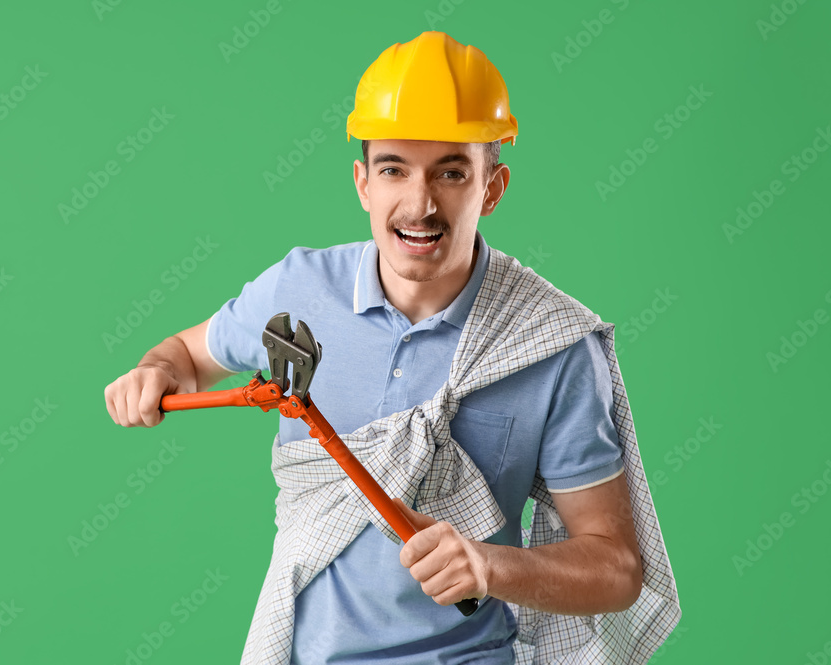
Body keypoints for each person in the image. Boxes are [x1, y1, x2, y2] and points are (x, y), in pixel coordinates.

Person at [104, 31, 680, 665]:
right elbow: (186, 356)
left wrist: (490, 566)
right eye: (393, 169)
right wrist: (155, 371)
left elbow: (617, 567)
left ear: (492, 186)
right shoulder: (298, 290)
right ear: (362, 184)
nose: (420, 203)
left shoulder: (549, 345)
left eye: (452, 172)